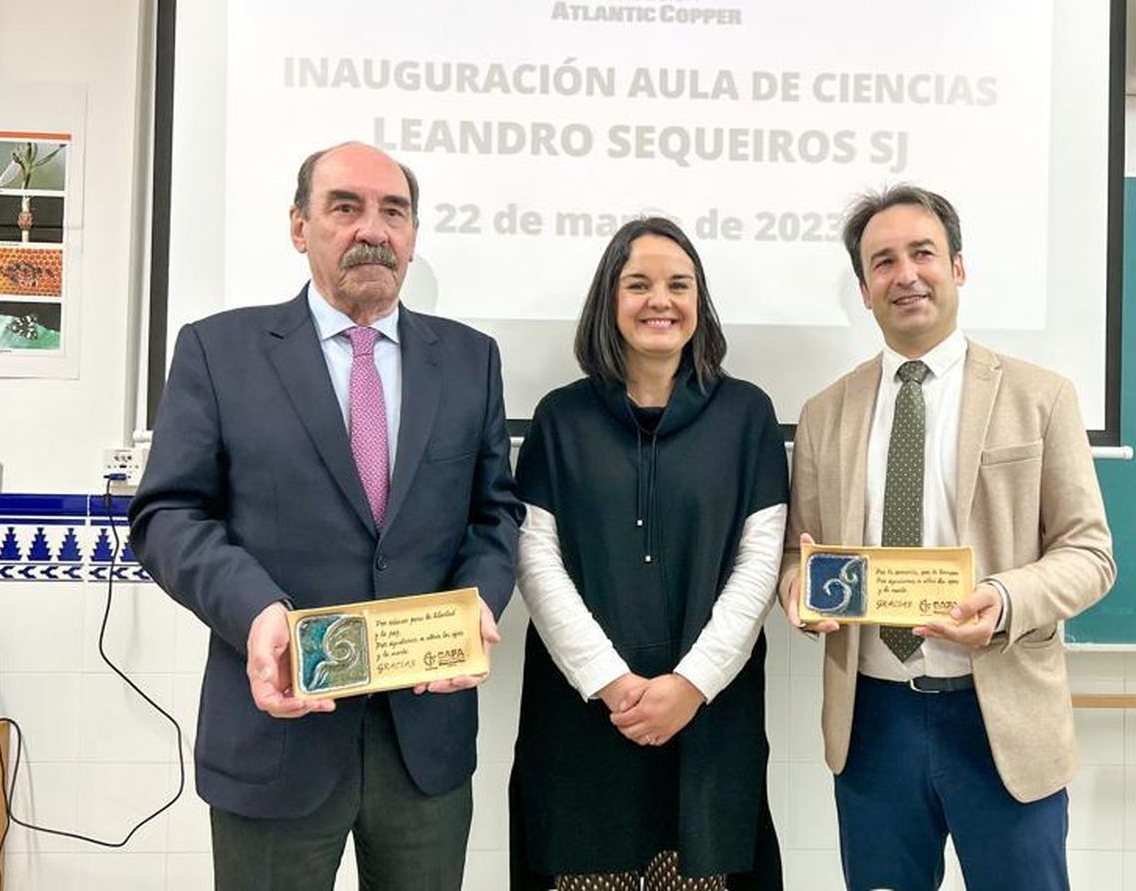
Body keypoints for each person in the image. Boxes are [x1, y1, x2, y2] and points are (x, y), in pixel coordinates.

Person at [129, 142, 522, 890]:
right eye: (345, 207)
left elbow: (494, 513)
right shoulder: (219, 351)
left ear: (412, 235)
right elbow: (169, 513)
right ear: (299, 227)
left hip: (424, 749)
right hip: (276, 736)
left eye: (394, 212)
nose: (372, 229)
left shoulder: (471, 360)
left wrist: (477, 600)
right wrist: (257, 611)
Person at [781, 185, 1115, 891]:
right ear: (865, 290)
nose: (905, 274)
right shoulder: (823, 413)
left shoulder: (1041, 396)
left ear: (957, 267)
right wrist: (799, 593)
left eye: (923, 253)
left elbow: (1089, 554)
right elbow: (797, 555)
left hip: (1001, 716)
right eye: (883, 262)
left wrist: (1004, 598)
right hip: (874, 722)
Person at [509, 217, 788, 891]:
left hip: (708, 711)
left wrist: (690, 686)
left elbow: (759, 565)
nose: (659, 300)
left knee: (700, 864)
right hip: (584, 712)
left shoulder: (747, 414)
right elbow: (535, 560)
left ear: (700, 301)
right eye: (638, 284)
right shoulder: (560, 418)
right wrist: (612, 682)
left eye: (678, 285)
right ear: (609, 300)